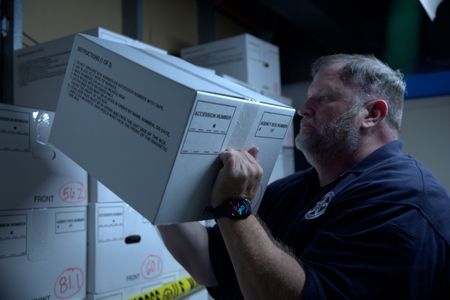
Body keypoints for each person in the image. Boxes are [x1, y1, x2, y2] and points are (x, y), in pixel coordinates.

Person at [158, 54, 450, 299]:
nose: (303, 110)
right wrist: (156, 186)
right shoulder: (293, 189)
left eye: (323, 99)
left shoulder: (403, 200)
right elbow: (210, 264)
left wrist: (235, 206)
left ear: (372, 114)